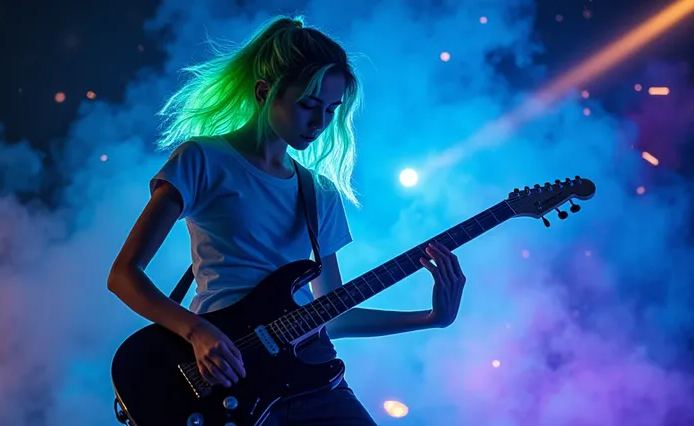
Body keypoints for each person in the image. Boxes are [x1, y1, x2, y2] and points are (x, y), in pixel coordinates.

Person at [107, 15, 467, 426]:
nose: (319, 123)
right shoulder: (203, 159)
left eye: (331, 110)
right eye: (308, 106)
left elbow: (334, 315)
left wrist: (431, 318)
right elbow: (123, 275)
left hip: (312, 380)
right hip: (224, 374)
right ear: (265, 93)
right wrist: (196, 332)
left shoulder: (321, 193)